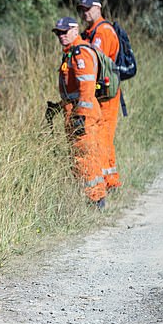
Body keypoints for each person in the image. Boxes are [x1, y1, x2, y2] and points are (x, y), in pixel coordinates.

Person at [50, 16, 107, 208]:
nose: (61, 36)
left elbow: (86, 88)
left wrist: (81, 116)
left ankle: (95, 199)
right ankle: (93, 197)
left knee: (84, 155)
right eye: (59, 32)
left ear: (75, 31)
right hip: (75, 111)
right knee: (83, 154)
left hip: (83, 114)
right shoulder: (71, 53)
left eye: (65, 32)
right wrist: (60, 106)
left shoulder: (80, 53)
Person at [77, 0, 122, 190]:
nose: (85, 12)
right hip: (99, 93)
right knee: (99, 137)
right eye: (83, 9)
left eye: (89, 9)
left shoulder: (102, 32)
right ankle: (108, 181)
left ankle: (109, 182)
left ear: (98, 8)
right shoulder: (91, 32)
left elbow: (95, 61)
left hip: (106, 95)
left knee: (103, 138)